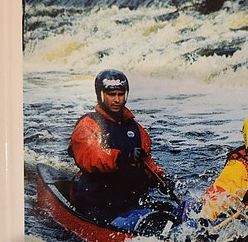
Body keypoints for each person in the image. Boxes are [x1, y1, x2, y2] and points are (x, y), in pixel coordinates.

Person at [68, 69, 173, 223]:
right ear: (101, 95)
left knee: (171, 212)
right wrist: (121, 157)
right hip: (98, 205)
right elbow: (89, 157)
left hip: (130, 203)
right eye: (111, 94)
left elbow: (146, 161)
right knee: (141, 223)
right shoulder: (88, 125)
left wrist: (160, 179)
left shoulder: (137, 129)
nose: (117, 99)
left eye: (120, 94)